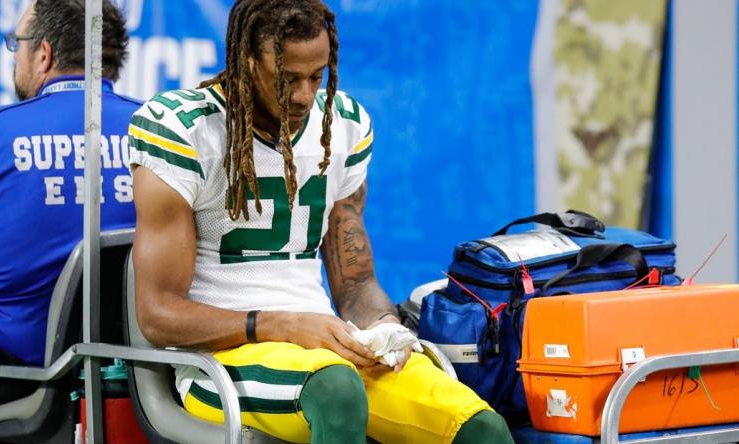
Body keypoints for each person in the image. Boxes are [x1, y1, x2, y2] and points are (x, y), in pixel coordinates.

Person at [129, 0, 514, 442]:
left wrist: (384, 327)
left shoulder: (342, 124)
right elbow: (157, 315)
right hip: (218, 360)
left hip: (323, 350)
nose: (304, 96)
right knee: (336, 389)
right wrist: (280, 324)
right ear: (245, 62)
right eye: (286, 78)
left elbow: (355, 286)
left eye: (317, 76)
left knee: (481, 429)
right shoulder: (186, 129)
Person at [0, 0, 138, 438]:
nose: (13, 55)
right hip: (136, 376)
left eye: (16, 44)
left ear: (44, 54)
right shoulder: (160, 133)